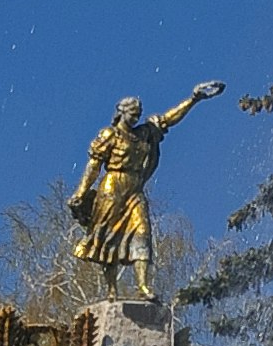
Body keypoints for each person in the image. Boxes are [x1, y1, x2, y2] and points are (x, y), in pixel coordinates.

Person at [69, 83, 225, 301]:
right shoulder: (109, 134)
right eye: (132, 114)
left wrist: (193, 99)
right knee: (108, 239)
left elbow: (168, 119)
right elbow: (94, 165)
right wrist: (81, 191)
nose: (135, 118)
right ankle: (111, 290)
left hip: (134, 189)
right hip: (111, 188)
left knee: (143, 233)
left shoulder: (144, 133)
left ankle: (142, 286)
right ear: (121, 113)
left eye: (138, 115)